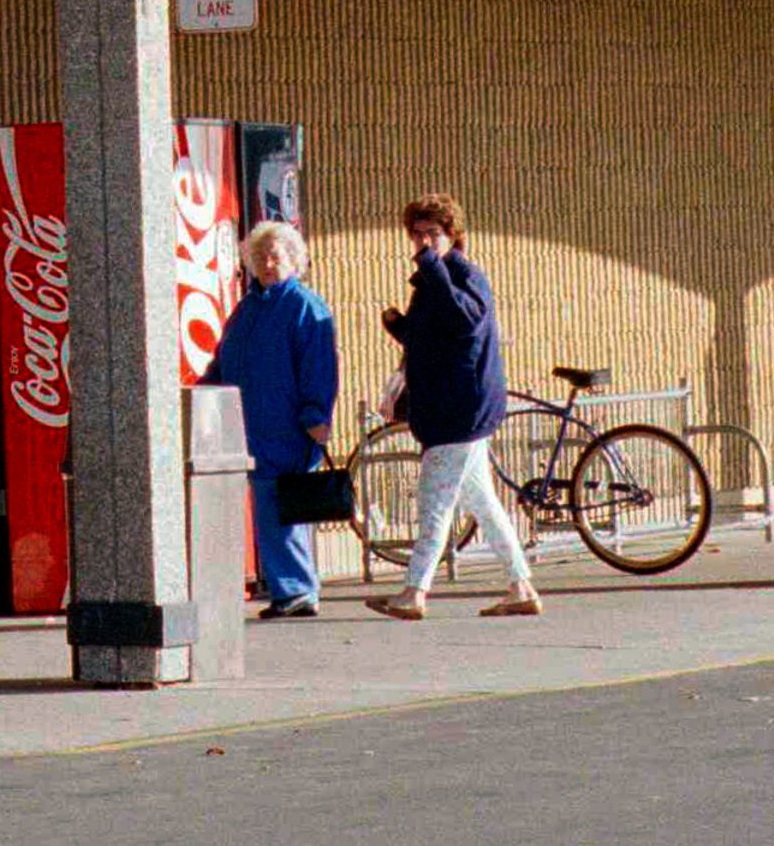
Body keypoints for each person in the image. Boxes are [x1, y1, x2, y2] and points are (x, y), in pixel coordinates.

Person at [367, 193, 539, 621]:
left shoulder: (464, 277)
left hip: (459, 413)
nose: (424, 242)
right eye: (417, 233)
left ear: (452, 236)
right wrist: (401, 327)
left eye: (434, 233)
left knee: (435, 502)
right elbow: (435, 342)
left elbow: (465, 323)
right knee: (483, 503)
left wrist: (434, 271)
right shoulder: (432, 282)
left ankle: (414, 592)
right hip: (453, 410)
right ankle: (521, 586)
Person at [207, 218, 338, 617]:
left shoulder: (304, 306)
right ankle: (291, 587)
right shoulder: (248, 308)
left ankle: (297, 587)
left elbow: (319, 366)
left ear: (294, 260)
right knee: (271, 504)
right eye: (260, 256)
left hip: (287, 423)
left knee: (282, 503)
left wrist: (316, 413)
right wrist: (204, 387)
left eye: (275, 256)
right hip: (252, 422)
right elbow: (225, 357)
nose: (267, 263)